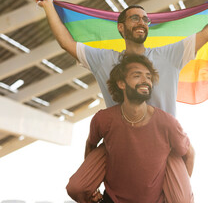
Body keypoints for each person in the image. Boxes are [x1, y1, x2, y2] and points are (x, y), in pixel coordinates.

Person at [36, 0, 208, 201]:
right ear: (120, 28)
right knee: (76, 187)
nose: (142, 22)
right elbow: (66, 43)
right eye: (135, 18)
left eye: (145, 19)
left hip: (164, 142)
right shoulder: (104, 59)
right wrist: (48, 7)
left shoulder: (169, 55)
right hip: (118, 139)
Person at [70, 53, 195, 202]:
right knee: (75, 188)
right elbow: (90, 145)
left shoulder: (167, 123)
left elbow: (189, 154)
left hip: (155, 200)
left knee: (174, 158)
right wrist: (93, 185)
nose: (145, 81)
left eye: (149, 77)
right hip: (113, 198)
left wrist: (178, 188)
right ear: (121, 83)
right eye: (137, 75)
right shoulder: (104, 119)